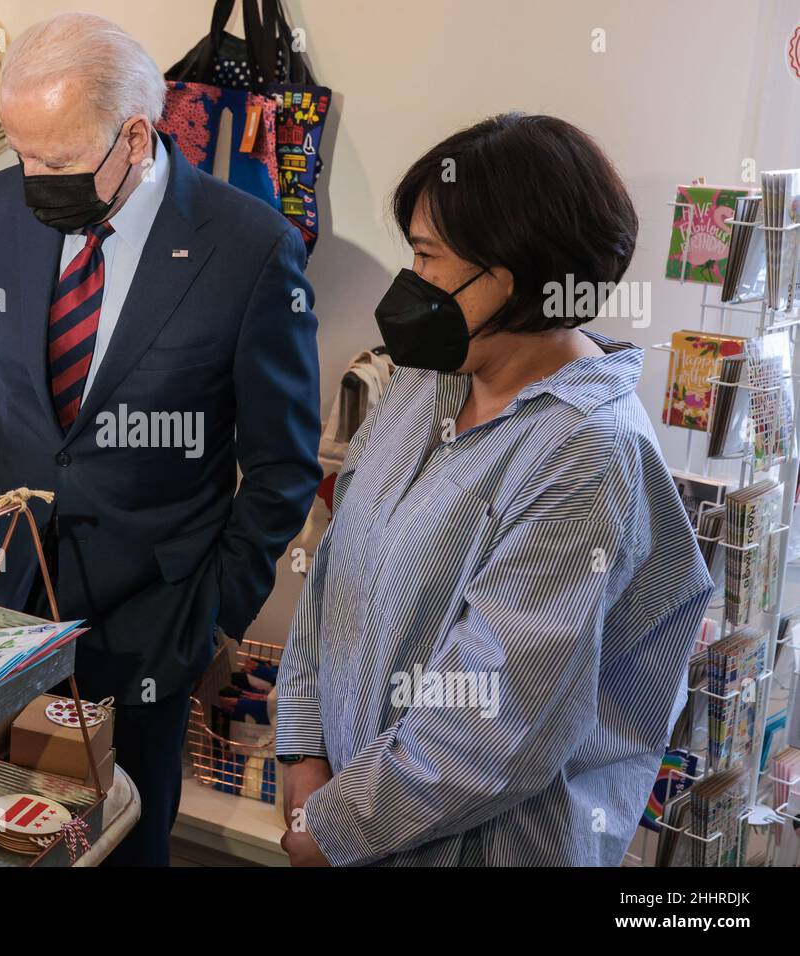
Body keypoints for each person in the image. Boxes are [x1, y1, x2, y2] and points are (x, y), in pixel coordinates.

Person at [0, 12, 321, 865]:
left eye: (53, 159)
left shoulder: (250, 248)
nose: (29, 176)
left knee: (122, 839)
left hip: (150, 616)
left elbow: (280, 467)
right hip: (5, 590)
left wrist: (211, 614)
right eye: (20, 151)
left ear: (134, 134)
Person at [276, 113, 713, 866]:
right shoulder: (423, 381)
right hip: (348, 817)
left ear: (511, 280)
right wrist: (302, 748)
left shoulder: (587, 457)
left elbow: (492, 727)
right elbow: (335, 569)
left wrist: (331, 830)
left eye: (427, 256)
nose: (409, 280)